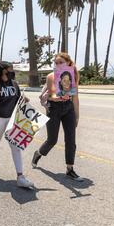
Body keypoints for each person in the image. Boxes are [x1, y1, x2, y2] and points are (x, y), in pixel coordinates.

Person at [0, 63, 34, 189]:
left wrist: (24, 99)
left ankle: (20, 177)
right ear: (2, 71)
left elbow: (18, 99)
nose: (11, 73)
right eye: (9, 70)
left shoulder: (14, 84)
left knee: (16, 146)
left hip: (11, 119)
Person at [32, 53, 83, 181]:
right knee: (52, 140)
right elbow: (51, 95)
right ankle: (38, 153)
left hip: (68, 108)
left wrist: (77, 116)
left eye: (61, 62)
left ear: (68, 63)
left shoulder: (73, 75)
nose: (59, 65)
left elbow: (75, 98)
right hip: (53, 108)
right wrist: (59, 97)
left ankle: (70, 169)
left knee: (71, 140)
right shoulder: (51, 76)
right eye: (56, 63)